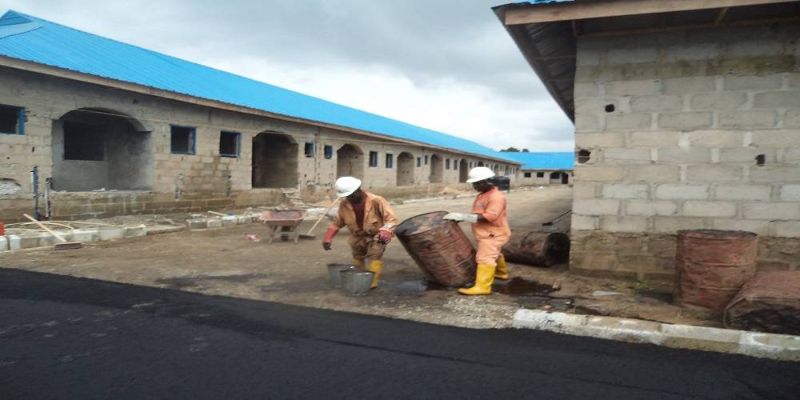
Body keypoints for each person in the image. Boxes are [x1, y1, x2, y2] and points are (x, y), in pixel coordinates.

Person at [443, 167, 511, 295]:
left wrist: (463, 217)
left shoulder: (496, 197)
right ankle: (501, 273)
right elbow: (479, 213)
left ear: (486, 181)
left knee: (484, 258)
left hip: (494, 234)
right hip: (488, 233)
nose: (475, 186)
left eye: (477, 183)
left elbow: (490, 217)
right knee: (494, 253)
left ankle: (483, 287)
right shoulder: (483, 194)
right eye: (474, 184)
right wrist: (462, 218)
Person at [322, 177, 398, 289]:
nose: (349, 198)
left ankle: (372, 283)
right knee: (357, 255)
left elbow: (392, 219)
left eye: (351, 195)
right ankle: (358, 278)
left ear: (358, 190)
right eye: (347, 196)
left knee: (375, 254)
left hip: (377, 235)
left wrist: (386, 231)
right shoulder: (345, 204)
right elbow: (337, 223)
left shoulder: (376, 201)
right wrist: (328, 237)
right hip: (358, 235)